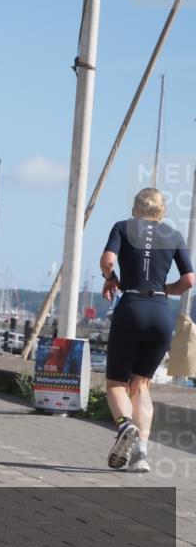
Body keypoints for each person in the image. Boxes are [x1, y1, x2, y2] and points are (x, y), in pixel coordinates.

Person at [100, 188, 194, 472]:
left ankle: (125, 426)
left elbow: (107, 261)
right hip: (161, 313)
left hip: (131, 307)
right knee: (141, 385)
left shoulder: (122, 227)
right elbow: (189, 280)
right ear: (161, 210)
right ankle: (141, 454)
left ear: (135, 208)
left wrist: (110, 278)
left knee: (116, 383)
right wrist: (165, 289)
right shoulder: (175, 235)